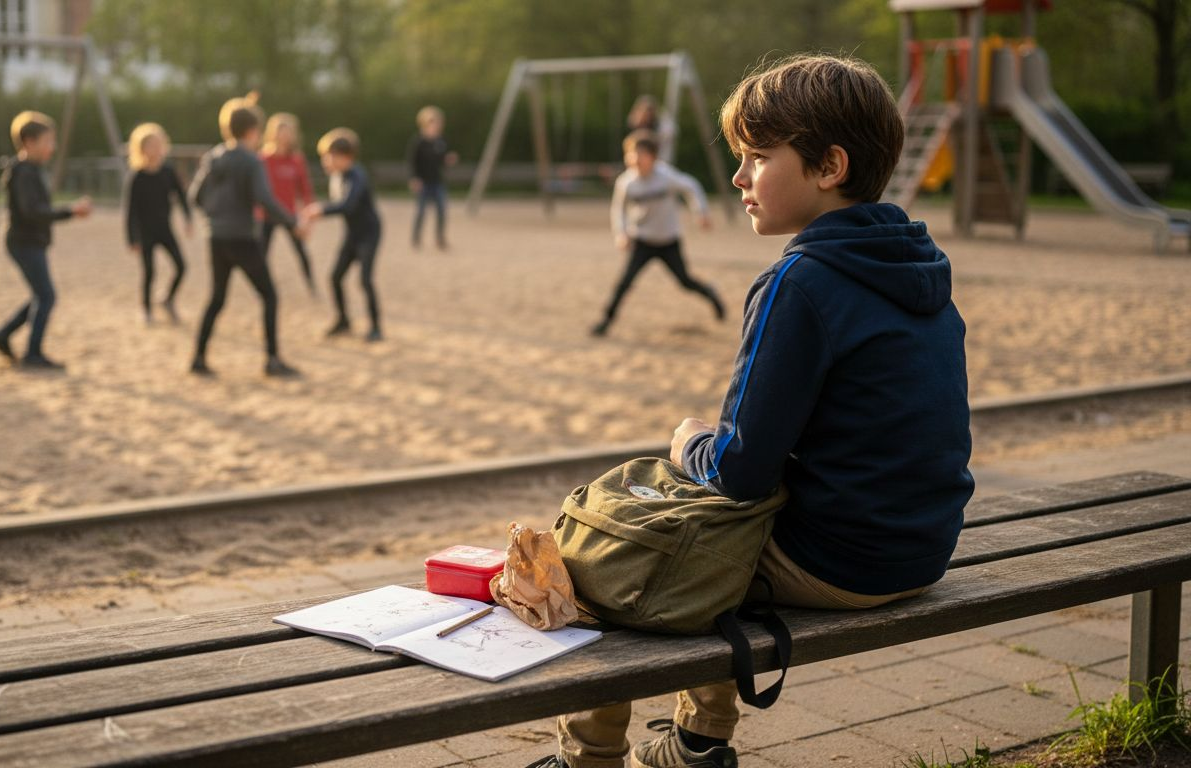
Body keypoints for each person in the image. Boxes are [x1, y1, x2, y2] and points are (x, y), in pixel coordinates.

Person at [533, 55, 974, 768]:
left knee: (609, 551)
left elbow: (738, 473)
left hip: (843, 561)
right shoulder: (916, 265)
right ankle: (697, 742)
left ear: (828, 166)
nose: (739, 178)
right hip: (922, 544)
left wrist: (689, 443)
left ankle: (589, 757)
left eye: (759, 156)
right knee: (694, 534)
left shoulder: (800, 282)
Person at [188, 95, 301, 377]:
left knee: (216, 298)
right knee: (270, 295)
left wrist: (215, 217)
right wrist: (291, 221)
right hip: (242, 238)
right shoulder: (251, 161)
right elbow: (265, 198)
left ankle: (198, 358)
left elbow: (195, 197)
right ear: (252, 131)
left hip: (216, 238)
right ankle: (272, 360)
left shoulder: (213, 157)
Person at [0, 110, 91, 371]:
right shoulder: (24, 173)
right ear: (29, 142)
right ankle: (32, 353)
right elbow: (32, 212)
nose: (52, 148)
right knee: (46, 296)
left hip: (29, 241)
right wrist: (71, 211)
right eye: (48, 142)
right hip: (23, 242)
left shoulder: (31, 170)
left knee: (41, 295)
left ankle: (2, 335)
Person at [593, 130, 724, 337]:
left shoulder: (666, 176)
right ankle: (605, 321)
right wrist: (621, 233)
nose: (635, 159)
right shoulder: (626, 183)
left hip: (668, 241)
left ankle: (711, 294)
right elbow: (618, 210)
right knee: (624, 282)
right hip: (642, 241)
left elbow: (691, 187)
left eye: (641, 154)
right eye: (631, 154)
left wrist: (700, 212)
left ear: (653, 157)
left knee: (685, 281)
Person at [302, 128, 384, 342]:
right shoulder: (337, 177)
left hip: (369, 234)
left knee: (365, 280)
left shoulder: (357, 176)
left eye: (328, 157)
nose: (325, 162)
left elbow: (347, 206)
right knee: (335, 277)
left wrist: (320, 210)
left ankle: (376, 327)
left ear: (345, 156)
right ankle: (343, 320)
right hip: (352, 234)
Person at [124, 122, 192, 325]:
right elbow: (130, 211)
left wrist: (188, 218)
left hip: (165, 229)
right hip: (145, 233)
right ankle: (146, 310)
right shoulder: (137, 177)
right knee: (149, 272)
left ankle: (168, 299)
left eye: (159, 144)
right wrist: (132, 238)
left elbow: (181, 196)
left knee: (181, 266)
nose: (156, 149)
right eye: (151, 145)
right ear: (141, 149)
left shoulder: (168, 172)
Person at [260, 111, 318, 295]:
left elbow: (306, 191)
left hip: (289, 214)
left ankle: (311, 286)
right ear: (272, 133)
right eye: (281, 131)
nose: (284, 136)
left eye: (288, 131)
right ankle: (263, 288)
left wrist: (308, 217)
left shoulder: (296, 160)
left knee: (301, 252)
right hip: (266, 215)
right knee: (261, 254)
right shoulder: (262, 159)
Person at [406, 105, 457, 251]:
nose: (436, 126)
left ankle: (440, 239)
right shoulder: (418, 142)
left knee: (442, 211)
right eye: (433, 122)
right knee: (421, 212)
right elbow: (412, 162)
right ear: (425, 123)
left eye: (438, 123)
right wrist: (414, 179)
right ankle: (416, 238)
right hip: (423, 182)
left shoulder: (442, 141)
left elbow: (443, 160)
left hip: (437, 181)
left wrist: (449, 160)